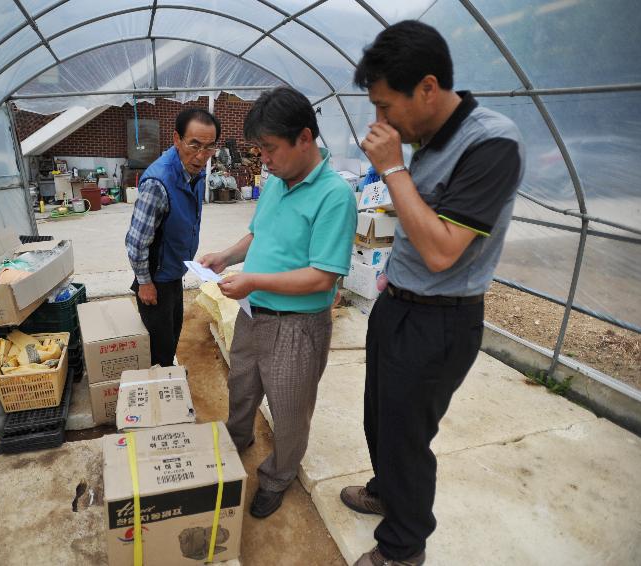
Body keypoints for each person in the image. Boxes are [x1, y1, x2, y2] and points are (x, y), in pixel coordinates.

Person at [339, 21, 525, 566]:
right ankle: (387, 491)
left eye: (385, 106)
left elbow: (444, 250)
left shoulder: (492, 143)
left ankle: (403, 546)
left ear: (426, 88)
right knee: (380, 416)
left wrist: (392, 167)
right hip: (398, 304)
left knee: (408, 436)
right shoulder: (423, 137)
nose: (380, 123)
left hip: (440, 322)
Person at [200, 86, 357, 519]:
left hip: (297, 327)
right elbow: (259, 234)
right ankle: (237, 439)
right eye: (259, 149)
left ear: (304, 138)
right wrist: (228, 257)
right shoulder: (274, 182)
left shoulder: (334, 196)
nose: (263, 158)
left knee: (289, 411)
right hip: (254, 314)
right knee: (242, 386)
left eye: (270, 148)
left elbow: (322, 276)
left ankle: (277, 476)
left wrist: (251, 280)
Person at [125, 108, 221, 366]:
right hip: (156, 280)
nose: (201, 156)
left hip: (174, 271)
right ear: (177, 139)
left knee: (172, 332)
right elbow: (136, 241)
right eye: (194, 145)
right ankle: (161, 392)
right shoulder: (159, 182)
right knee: (160, 346)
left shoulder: (195, 174)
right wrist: (145, 282)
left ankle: (167, 377)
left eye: (209, 148)